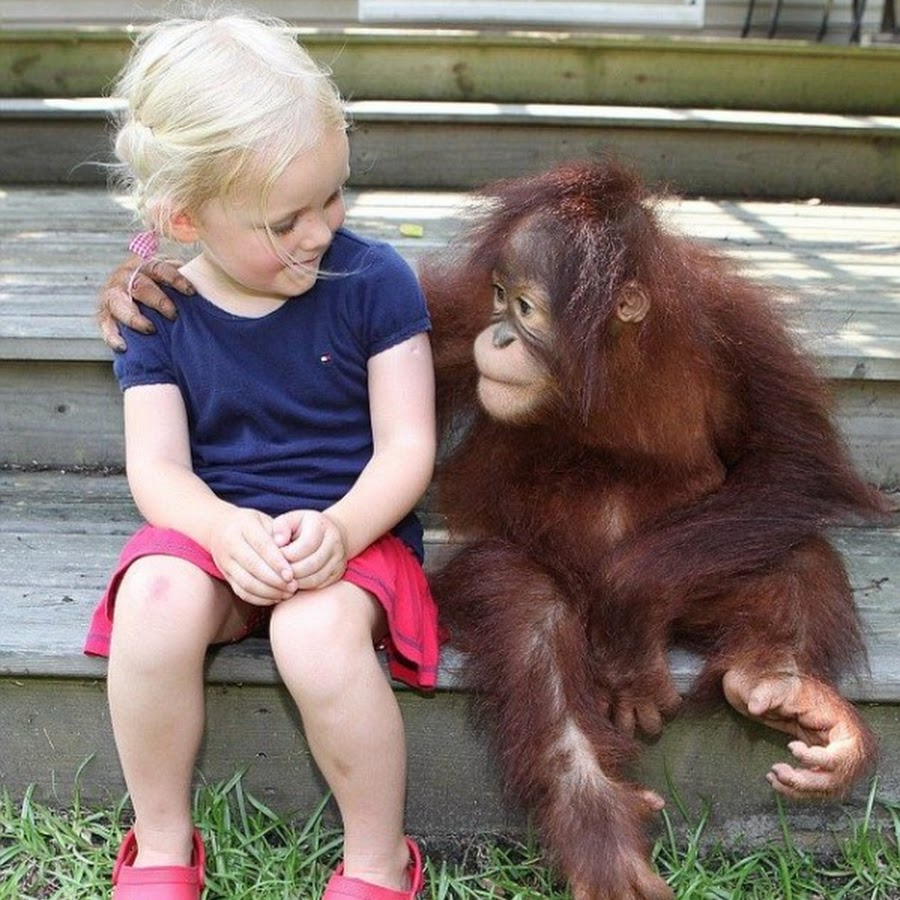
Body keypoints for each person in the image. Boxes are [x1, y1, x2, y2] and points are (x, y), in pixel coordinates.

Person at [84, 12, 438, 900]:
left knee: (314, 633)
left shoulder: (375, 282)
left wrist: (344, 526)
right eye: (288, 219)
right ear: (185, 216)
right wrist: (219, 527)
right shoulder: (157, 311)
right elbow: (157, 471)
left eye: (333, 197)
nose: (321, 231)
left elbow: (408, 446)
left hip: (352, 539)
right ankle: (162, 847)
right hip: (215, 533)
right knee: (155, 596)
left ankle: (376, 864)